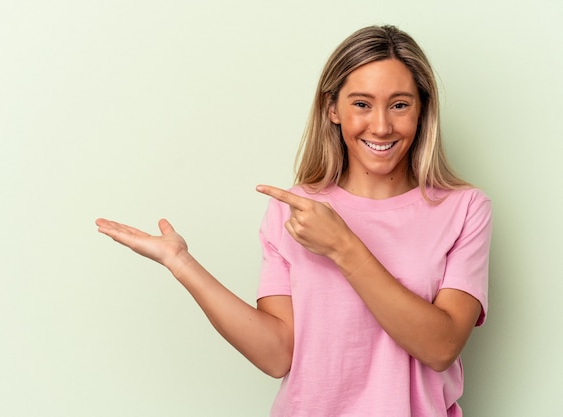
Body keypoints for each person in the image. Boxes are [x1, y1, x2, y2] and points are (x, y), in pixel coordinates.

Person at [96, 25, 492, 417]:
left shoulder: (464, 209)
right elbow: (278, 355)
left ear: (422, 109)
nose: (382, 125)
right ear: (332, 108)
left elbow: (441, 348)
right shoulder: (296, 211)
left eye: (400, 104)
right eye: (361, 104)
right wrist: (181, 263)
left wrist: (342, 245)